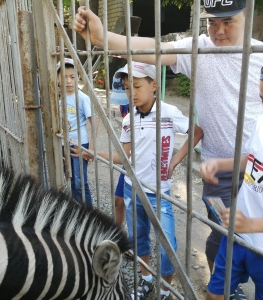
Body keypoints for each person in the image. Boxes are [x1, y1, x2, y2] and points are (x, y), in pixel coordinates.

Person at [73, 0, 263, 283]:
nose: (218, 31)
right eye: (212, 22)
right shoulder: (199, 48)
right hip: (217, 171)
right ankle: (226, 286)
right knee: (220, 235)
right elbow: (154, 49)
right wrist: (102, 38)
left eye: (228, 22)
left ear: (247, 16)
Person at [76, 61, 203, 299]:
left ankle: (166, 290)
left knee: (168, 249)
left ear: (153, 85)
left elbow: (196, 132)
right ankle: (145, 280)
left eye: (135, 86)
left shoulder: (168, 113)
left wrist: (175, 160)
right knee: (138, 240)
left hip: (160, 194)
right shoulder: (128, 120)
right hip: (133, 191)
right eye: (126, 87)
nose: (130, 93)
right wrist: (96, 154)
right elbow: (124, 157)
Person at [200, 52, 263, 300]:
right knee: (214, 294)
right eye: (262, 101)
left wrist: (253, 225)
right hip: (238, 236)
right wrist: (221, 164)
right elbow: (253, 160)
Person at [57, 58, 96, 206]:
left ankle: (88, 213)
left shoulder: (82, 98)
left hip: (79, 143)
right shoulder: (59, 98)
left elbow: (94, 124)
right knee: (70, 178)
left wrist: (90, 149)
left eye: (72, 77)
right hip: (63, 143)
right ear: (58, 78)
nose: (68, 81)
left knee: (80, 181)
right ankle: (77, 210)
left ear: (78, 77)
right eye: (64, 76)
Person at [110, 70, 130, 226]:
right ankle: (117, 234)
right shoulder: (127, 113)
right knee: (119, 200)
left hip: (145, 167)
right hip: (129, 161)